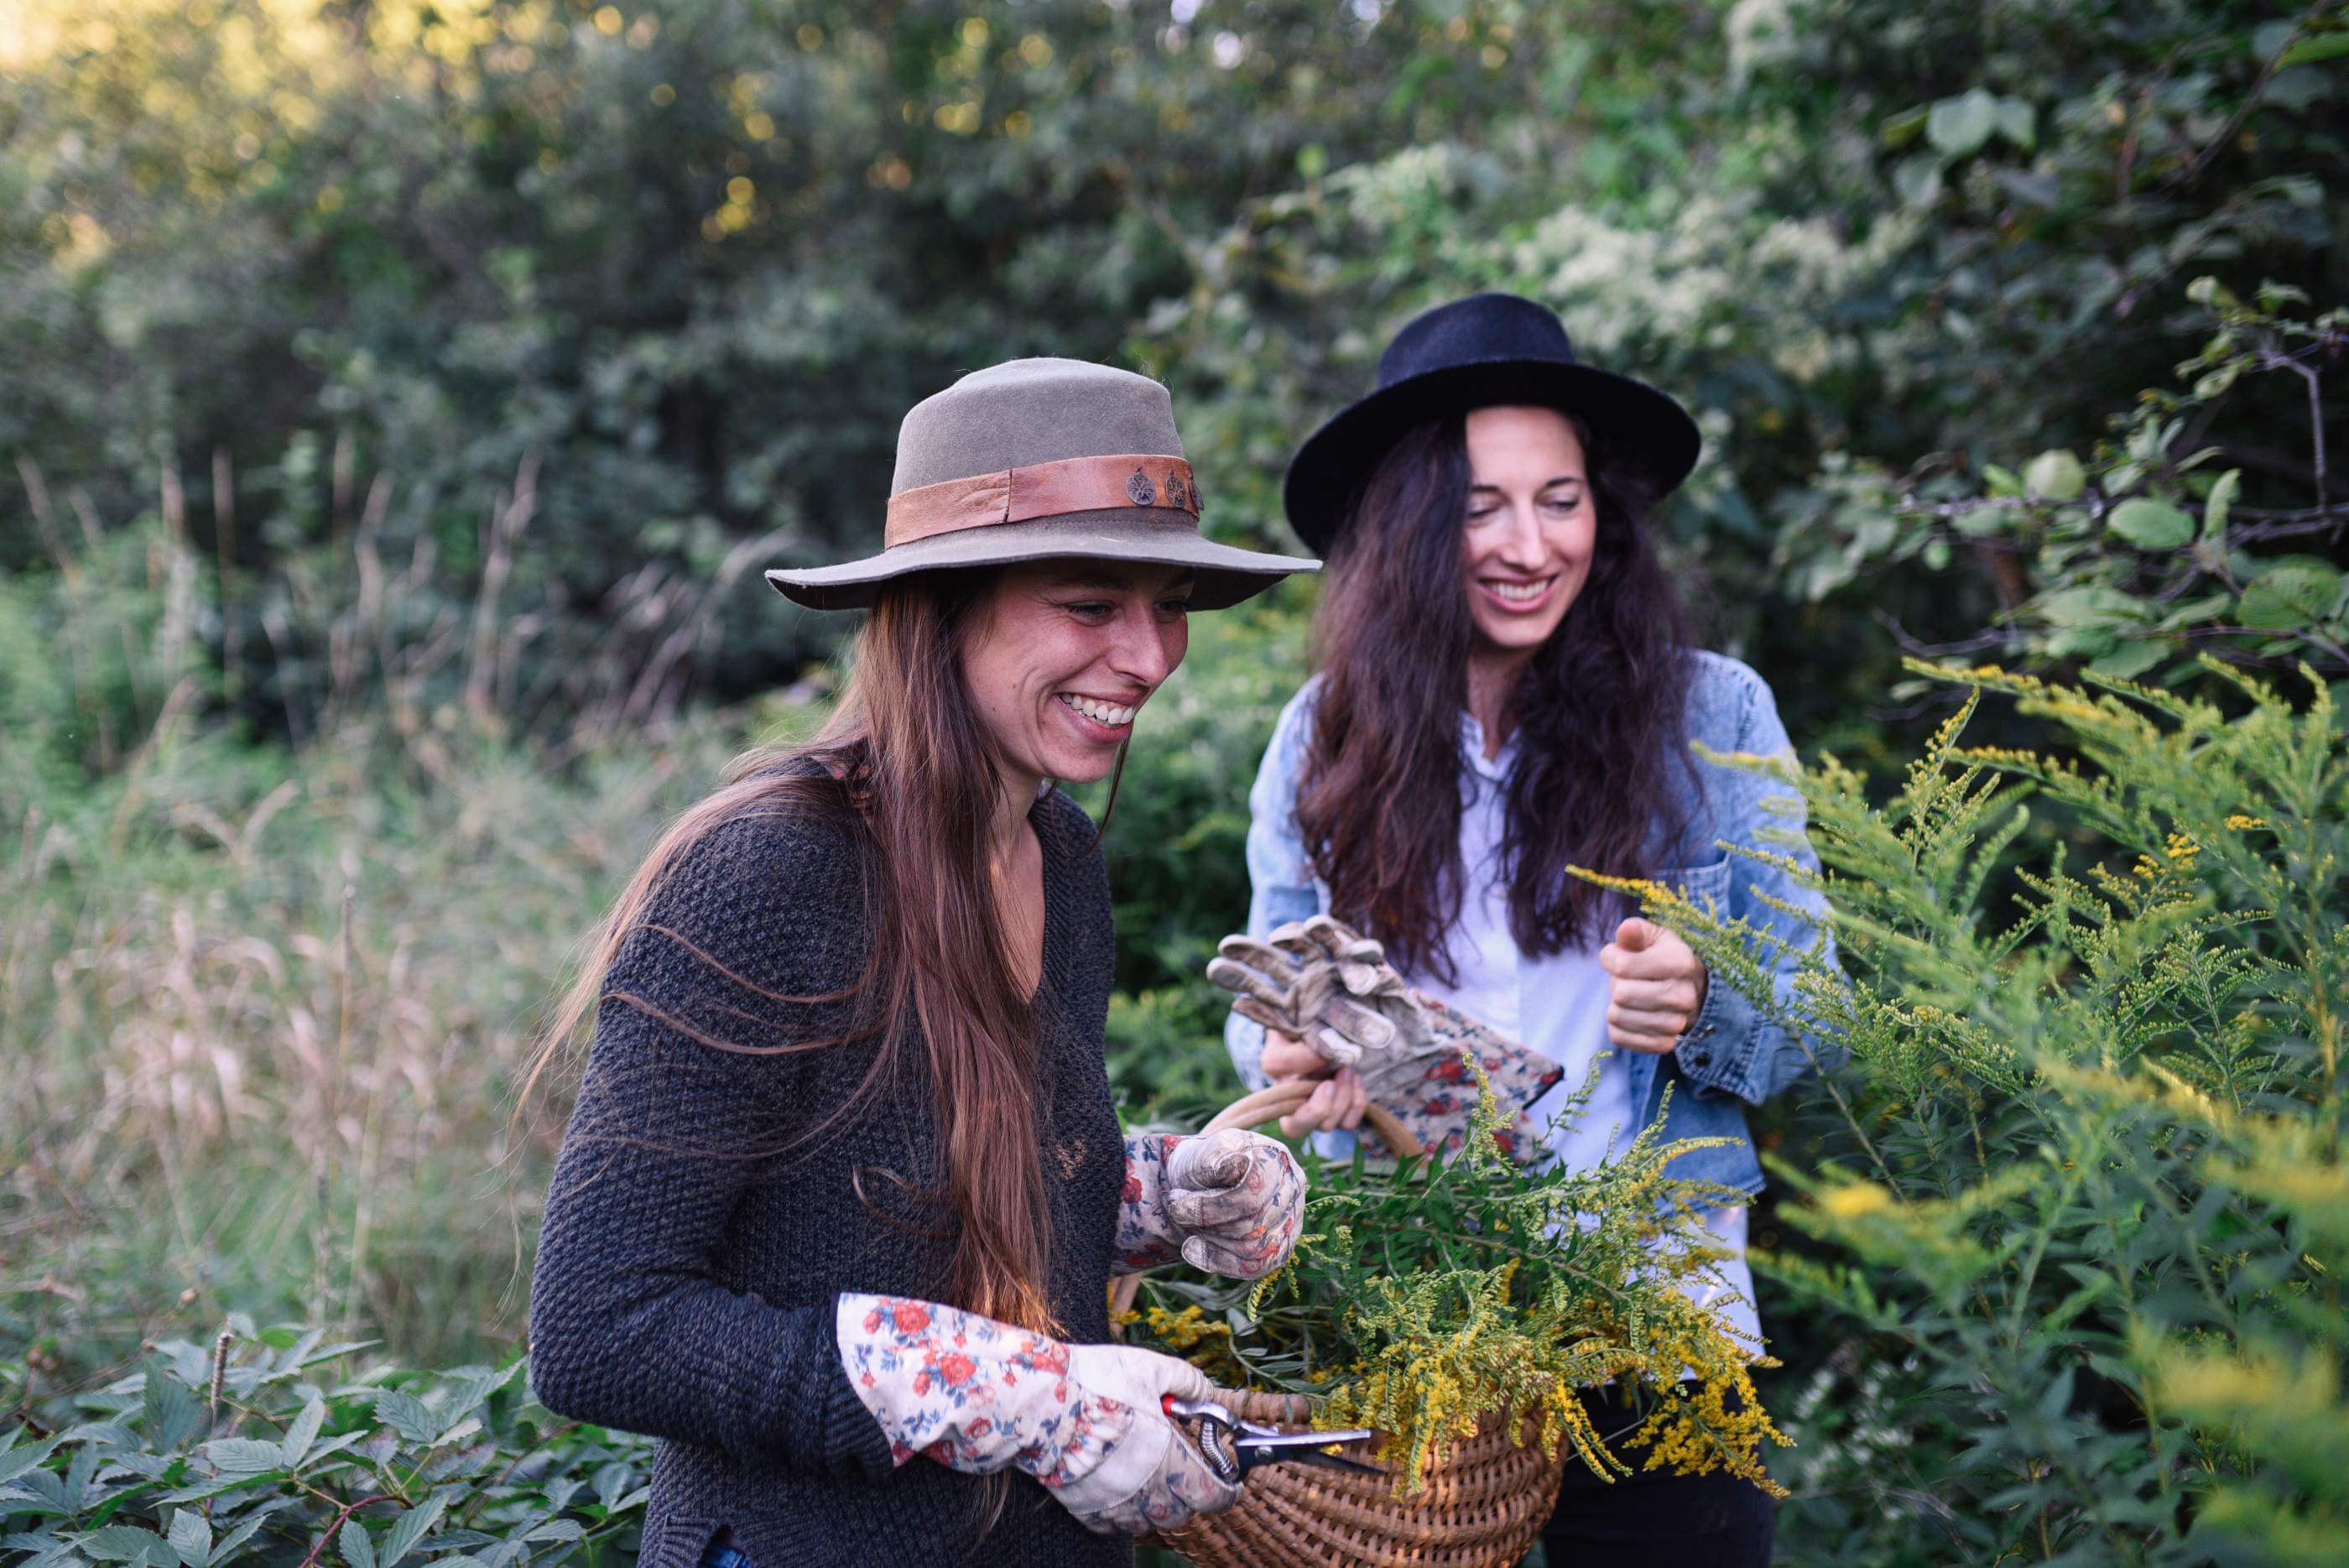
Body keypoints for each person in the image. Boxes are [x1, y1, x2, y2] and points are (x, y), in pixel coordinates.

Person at [528, 358, 1319, 1568]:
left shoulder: (1057, 851)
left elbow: (922, 1186)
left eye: (1170, 605)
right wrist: (1010, 1394)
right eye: (1093, 604)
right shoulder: (765, 877)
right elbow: (600, 1327)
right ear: (943, 604)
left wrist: (1151, 1190)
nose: (1153, 656)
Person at [1224, 293, 1834, 1565]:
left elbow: (1816, 1019)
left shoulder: (1709, 717)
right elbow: (1266, 989)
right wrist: (1290, 1058)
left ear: (1602, 514)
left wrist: (1708, 999)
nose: (1527, 542)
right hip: (1421, 1329)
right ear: (1403, 531)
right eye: (1477, 506)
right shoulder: (1323, 737)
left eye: (1559, 497)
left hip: (1661, 1324)